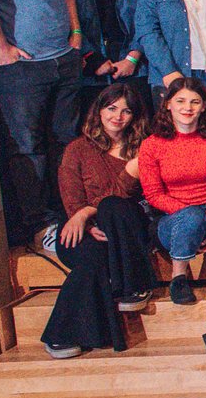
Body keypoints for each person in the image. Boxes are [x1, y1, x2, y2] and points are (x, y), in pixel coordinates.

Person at [42, 83, 150, 357]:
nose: (118, 116)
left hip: (125, 232)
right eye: (112, 108)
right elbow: (72, 201)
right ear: (99, 111)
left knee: (115, 206)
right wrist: (84, 219)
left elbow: (134, 195)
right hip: (84, 230)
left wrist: (89, 211)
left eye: (126, 111)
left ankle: (131, 287)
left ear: (135, 116)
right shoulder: (77, 149)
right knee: (91, 258)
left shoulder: (145, 149)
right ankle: (62, 334)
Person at [141, 76, 206, 304]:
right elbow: (153, 195)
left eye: (195, 102)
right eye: (181, 101)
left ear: (204, 106)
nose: (187, 108)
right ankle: (179, 278)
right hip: (172, 220)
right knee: (192, 216)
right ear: (168, 104)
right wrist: (200, 216)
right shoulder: (152, 144)